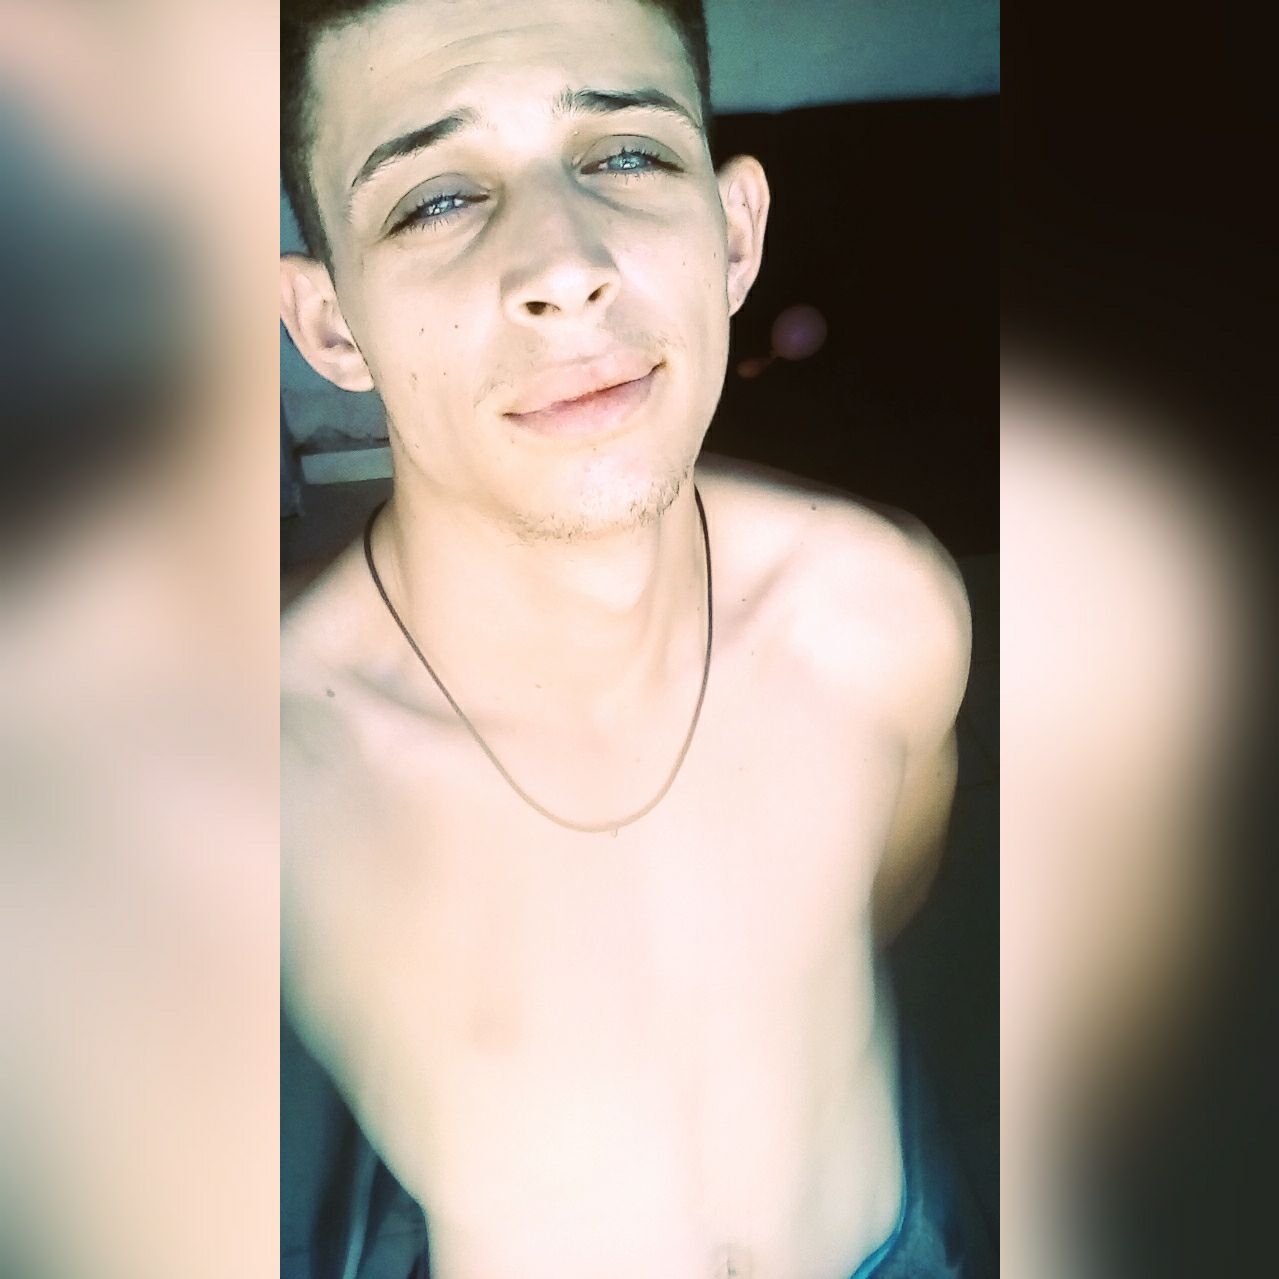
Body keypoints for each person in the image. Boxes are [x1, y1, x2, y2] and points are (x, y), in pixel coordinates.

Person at [279, 1, 973, 1275]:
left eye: (625, 155)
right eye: (437, 199)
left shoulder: (884, 612)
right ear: (331, 325)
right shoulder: (253, 784)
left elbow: (881, 896)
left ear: (734, 234)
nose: (562, 265)